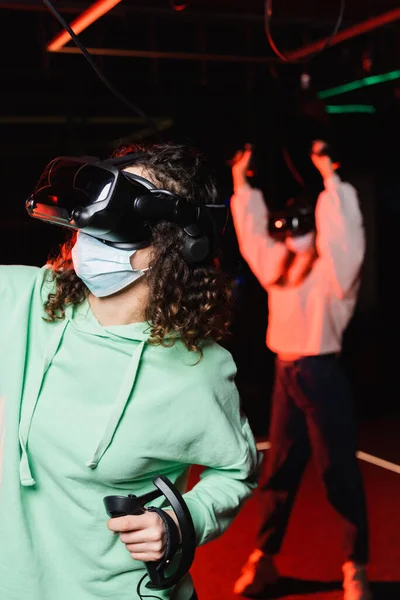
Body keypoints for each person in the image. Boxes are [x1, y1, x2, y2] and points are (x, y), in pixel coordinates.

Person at [0, 141, 262, 600]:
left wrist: (181, 521)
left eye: (120, 222)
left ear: (174, 245)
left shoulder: (198, 370)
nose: (92, 238)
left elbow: (236, 471)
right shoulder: (21, 300)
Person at [230, 140, 371, 600]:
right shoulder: (279, 267)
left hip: (323, 374)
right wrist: (240, 181)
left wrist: (331, 178)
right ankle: (265, 559)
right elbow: (252, 238)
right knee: (278, 473)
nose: (291, 231)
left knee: (339, 473)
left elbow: (346, 234)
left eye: (299, 224)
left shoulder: (335, 272)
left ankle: (355, 568)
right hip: (286, 376)